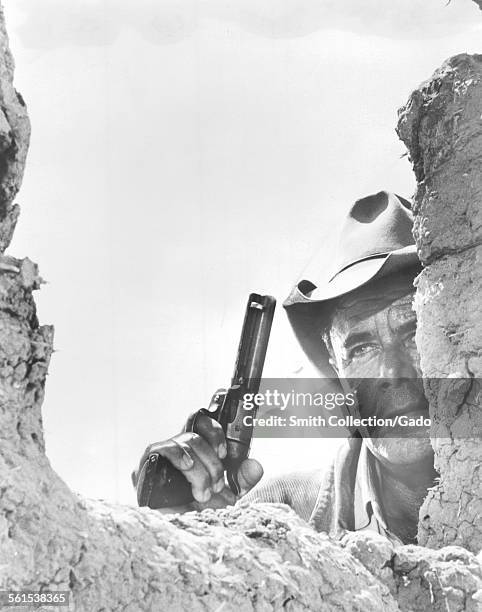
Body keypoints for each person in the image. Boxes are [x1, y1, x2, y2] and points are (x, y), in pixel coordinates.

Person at [135, 191, 438, 545]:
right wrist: (179, 534)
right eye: (361, 349)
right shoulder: (282, 516)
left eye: (415, 332)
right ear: (338, 378)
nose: (390, 373)